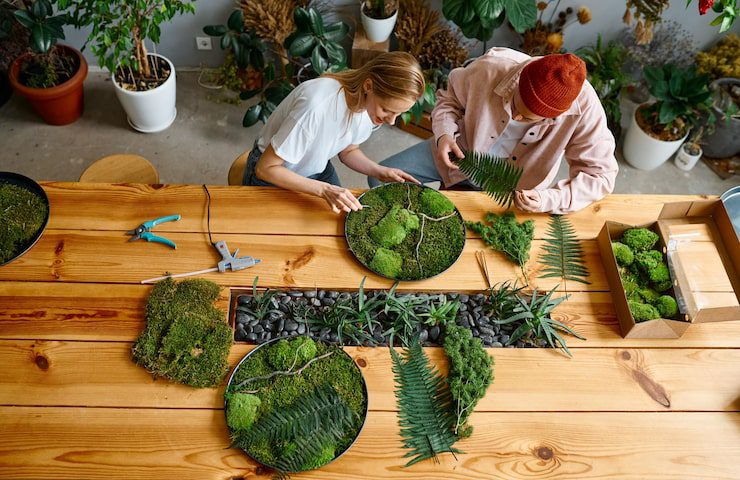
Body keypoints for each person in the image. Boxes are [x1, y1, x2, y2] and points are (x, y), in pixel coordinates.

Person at [369, 48, 618, 214]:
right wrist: (444, 134)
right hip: (458, 153)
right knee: (378, 179)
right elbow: (449, 99)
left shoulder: (585, 111)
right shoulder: (492, 68)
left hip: (511, 190)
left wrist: (550, 199)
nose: (516, 117)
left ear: (555, 116)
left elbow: (601, 177)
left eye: (527, 117)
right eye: (516, 105)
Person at [243, 52, 424, 213]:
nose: (391, 121)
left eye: (398, 114)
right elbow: (265, 169)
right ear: (369, 86)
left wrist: (379, 171)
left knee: (344, 218)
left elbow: (348, 150)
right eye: (386, 110)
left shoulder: (367, 107)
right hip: (274, 173)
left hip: (315, 167)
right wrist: (324, 189)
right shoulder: (315, 106)